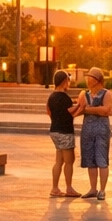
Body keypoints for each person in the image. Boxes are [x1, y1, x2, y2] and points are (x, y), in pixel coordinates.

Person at [76, 67, 112, 201]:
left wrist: (88, 109)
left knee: (101, 159)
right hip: (87, 129)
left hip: (101, 130)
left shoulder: (106, 94)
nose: (88, 80)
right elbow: (80, 109)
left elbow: (106, 110)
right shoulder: (85, 94)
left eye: (90, 77)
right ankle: (93, 188)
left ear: (97, 80)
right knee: (90, 160)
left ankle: (102, 190)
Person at [47, 70, 80, 198]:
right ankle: (69, 188)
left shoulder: (51, 96)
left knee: (58, 161)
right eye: (68, 80)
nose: (69, 83)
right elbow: (71, 112)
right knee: (69, 161)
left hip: (54, 131)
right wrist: (81, 106)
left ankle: (55, 188)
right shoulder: (64, 97)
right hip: (65, 132)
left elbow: (48, 111)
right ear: (64, 81)